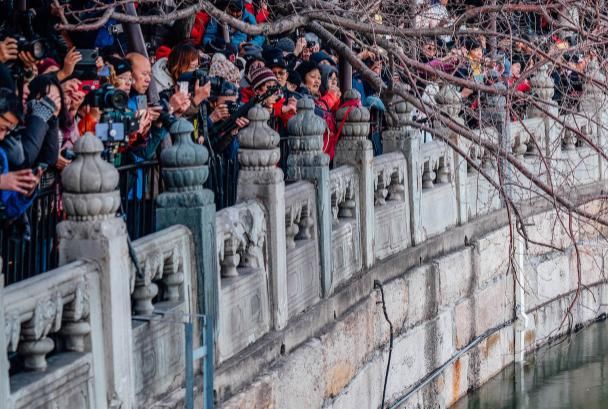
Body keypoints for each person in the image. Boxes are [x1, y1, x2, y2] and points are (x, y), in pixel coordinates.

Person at [0, 88, 40, 223]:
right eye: (1, 128)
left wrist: (26, 192)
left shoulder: (1, 156)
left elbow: (8, 209)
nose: (2, 136)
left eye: (6, 131)